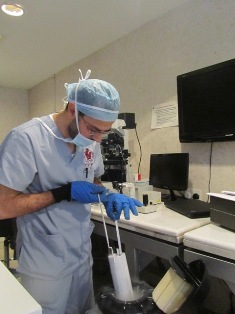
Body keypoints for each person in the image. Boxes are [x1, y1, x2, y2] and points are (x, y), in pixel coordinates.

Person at [0, 70, 143, 314]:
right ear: (73, 109)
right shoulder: (26, 139)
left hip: (80, 254)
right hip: (44, 261)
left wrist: (106, 195)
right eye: (93, 129)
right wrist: (63, 192)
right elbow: (4, 206)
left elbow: (93, 178)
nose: (98, 139)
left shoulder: (89, 141)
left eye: (104, 132)